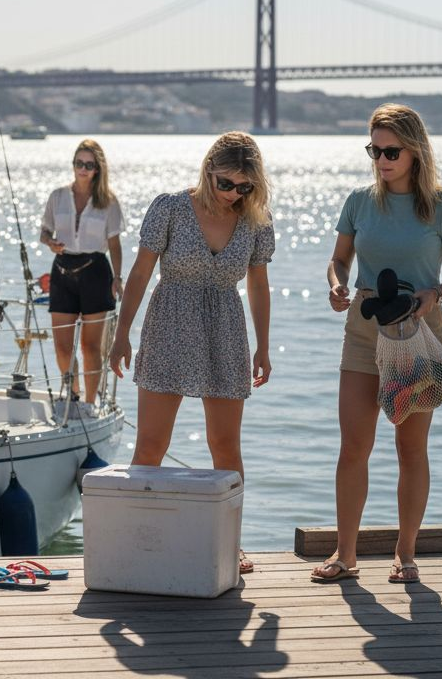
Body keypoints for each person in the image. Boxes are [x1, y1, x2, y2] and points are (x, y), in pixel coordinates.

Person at [312, 103, 442, 585]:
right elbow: (338, 260)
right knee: (353, 446)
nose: (380, 159)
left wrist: (438, 292)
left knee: (411, 448)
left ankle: (405, 554)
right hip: (364, 330)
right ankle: (346, 555)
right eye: (374, 149)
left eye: (390, 150)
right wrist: (336, 285)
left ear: (414, 151)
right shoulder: (359, 201)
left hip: (421, 335)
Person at [109, 132, 274, 575]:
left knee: (226, 446)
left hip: (225, 329)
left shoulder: (255, 220)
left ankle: (231, 544)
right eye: (226, 184)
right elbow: (141, 273)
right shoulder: (170, 207)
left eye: (245, 187)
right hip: (169, 325)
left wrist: (263, 344)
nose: (234, 194)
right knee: (151, 444)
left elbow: (257, 284)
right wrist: (122, 333)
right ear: (207, 171)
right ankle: (135, 543)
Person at [40, 139, 124, 406]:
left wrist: (118, 278)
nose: (83, 169)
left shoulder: (108, 202)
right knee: (62, 347)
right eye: (79, 163)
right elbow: (44, 231)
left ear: (97, 169)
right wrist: (50, 243)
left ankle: (90, 402)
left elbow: (114, 244)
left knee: (90, 346)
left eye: (89, 164)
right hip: (62, 269)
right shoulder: (58, 196)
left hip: (96, 272)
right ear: (73, 165)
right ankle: (72, 393)